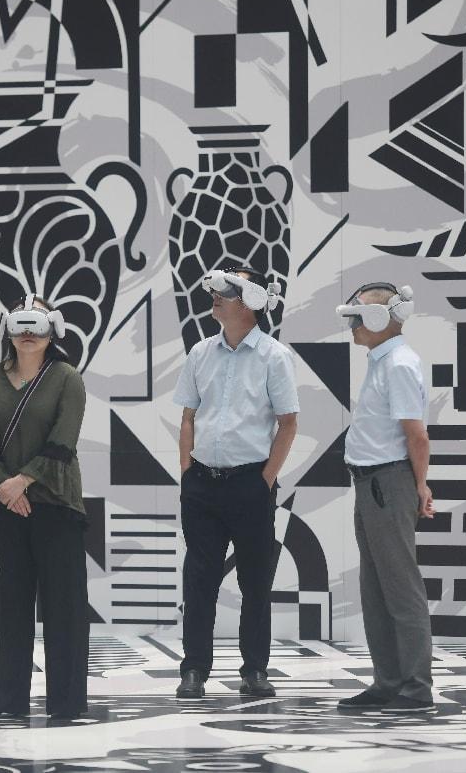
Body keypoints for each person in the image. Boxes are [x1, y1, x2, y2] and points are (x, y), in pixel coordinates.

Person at [172, 267, 299, 699]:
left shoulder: (274, 356)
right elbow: (188, 416)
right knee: (199, 581)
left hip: (250, 484)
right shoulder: (200, 353)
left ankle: (255, 670)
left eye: (228, 291)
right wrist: (187, 473)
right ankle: (194, 670)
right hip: (202, 484)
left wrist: (264, 481)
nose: (216, 296)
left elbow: (288, 423)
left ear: (252, 301)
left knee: (255, 583)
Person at [0, 294, 90, 720]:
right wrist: (7, 487)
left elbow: (63, 442)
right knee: (14, 605)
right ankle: (7, 698)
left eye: (35, 326)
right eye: (19, 325)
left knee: (64, 607)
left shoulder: (67, 378)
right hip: (10, 505)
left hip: (56, 504)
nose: (27, 334)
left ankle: (67, 701)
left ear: (52, 330)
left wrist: (22, 481)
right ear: (7, 329)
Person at [334, 281, 437, 714]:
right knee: (376, 590)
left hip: (388, 483)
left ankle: (415, 688)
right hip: (372, 484)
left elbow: (417, 436)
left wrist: (419, 485)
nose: (353, 326)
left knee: (400, 588)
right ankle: (388, 682)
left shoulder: (398, 364)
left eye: (358, 318)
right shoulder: (384, 361)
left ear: (378, 319)